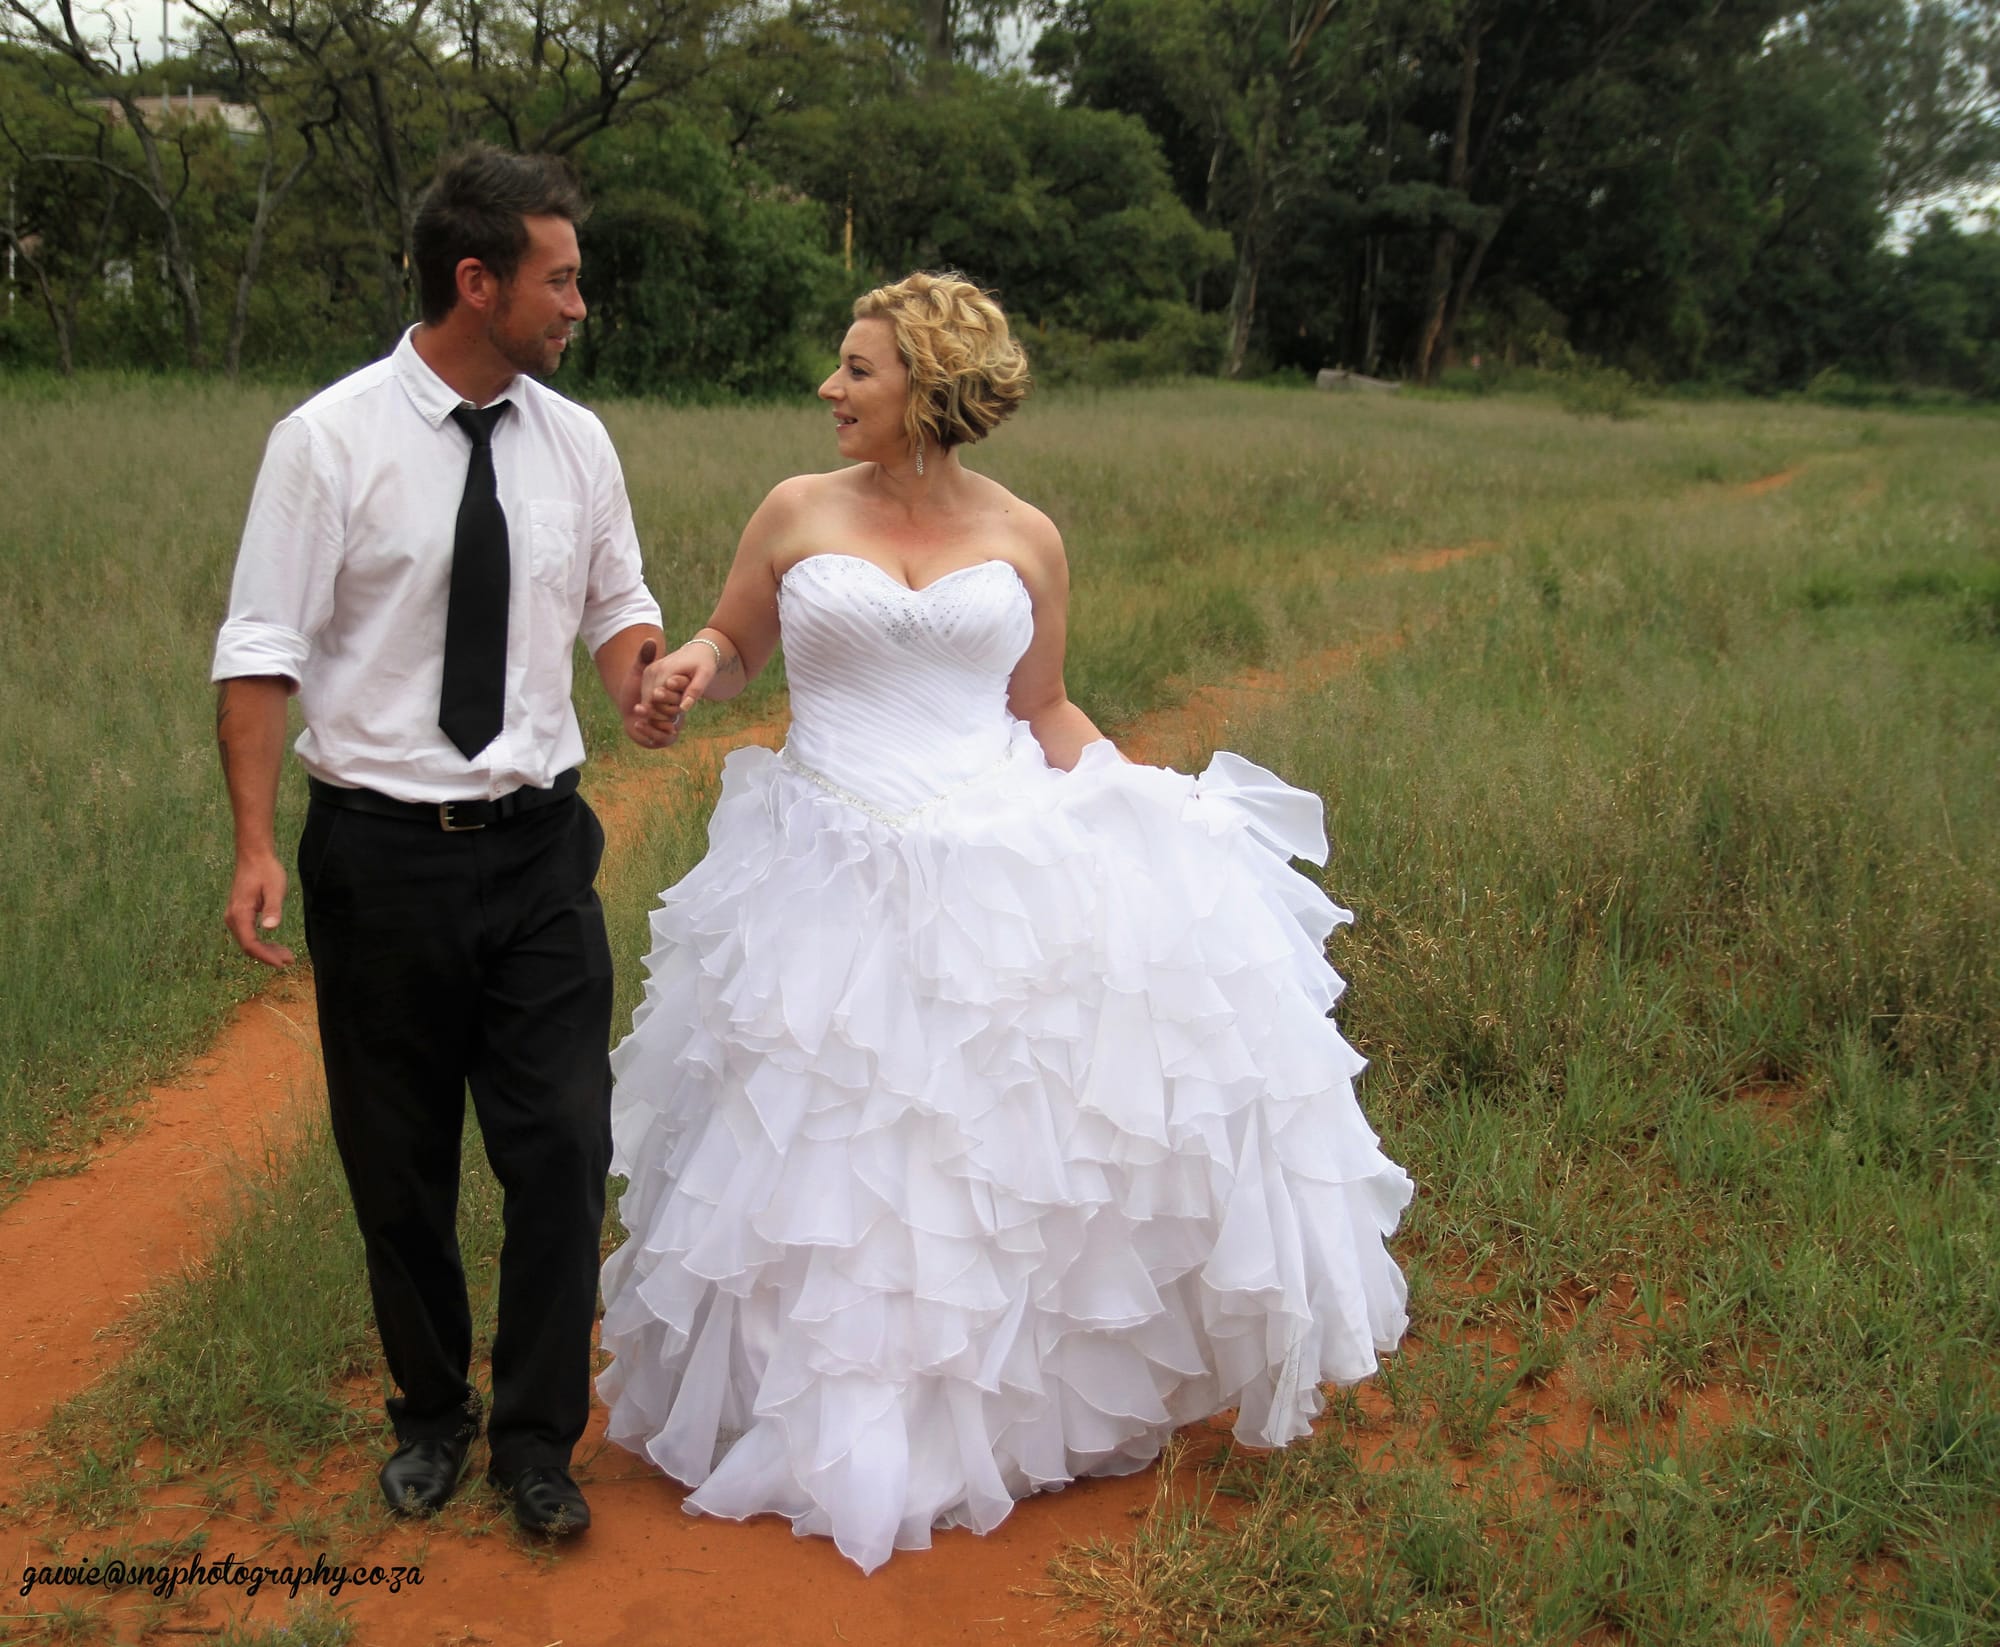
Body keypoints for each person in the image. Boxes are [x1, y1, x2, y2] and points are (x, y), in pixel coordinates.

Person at [596, 271, 1413, 1574]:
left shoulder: (1028, 536)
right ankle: (817, 1411)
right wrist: (697, 665)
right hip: (824, 857)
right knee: (824, 1142)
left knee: (975, 1155)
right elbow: (737, 645)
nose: (830, 387)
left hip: (989, 858)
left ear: (926, 385)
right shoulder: (796, 509)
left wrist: (1142, 803)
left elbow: (1043, 705)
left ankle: (985, 1413)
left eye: (858, 369)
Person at [212, 144, 680, 1538]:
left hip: (539, 851)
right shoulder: (327, 442)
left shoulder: (579, 441)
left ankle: (538, 1440)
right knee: (397, 1159)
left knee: (562, 1146)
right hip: (381, 857)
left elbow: (617, 606)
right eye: (560, 280)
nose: (579, 305)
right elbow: (260, 651)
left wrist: (643, 679)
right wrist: (254, 846)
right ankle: (430, 1415)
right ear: (476, 282)